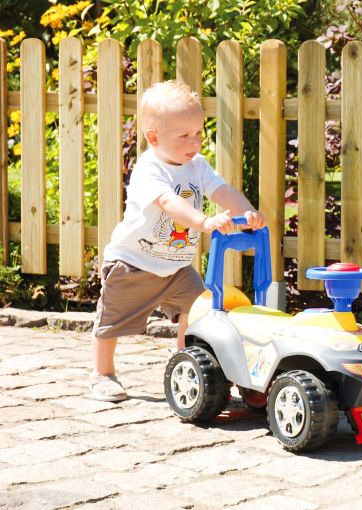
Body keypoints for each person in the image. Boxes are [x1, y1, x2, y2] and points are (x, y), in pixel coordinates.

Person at [90, 80, 265, 402]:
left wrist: (247, 211)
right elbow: (169, 203)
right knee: (111, 323)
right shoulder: (149, 170)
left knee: (197, 312)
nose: (194, 141)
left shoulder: (197, 166)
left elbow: (222, 191)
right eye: (184, 135)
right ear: (154, 137)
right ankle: (103, 374)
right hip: (133, 263)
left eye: (198, 132)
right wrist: (204, 222)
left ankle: (187, 363)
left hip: (177, 268)